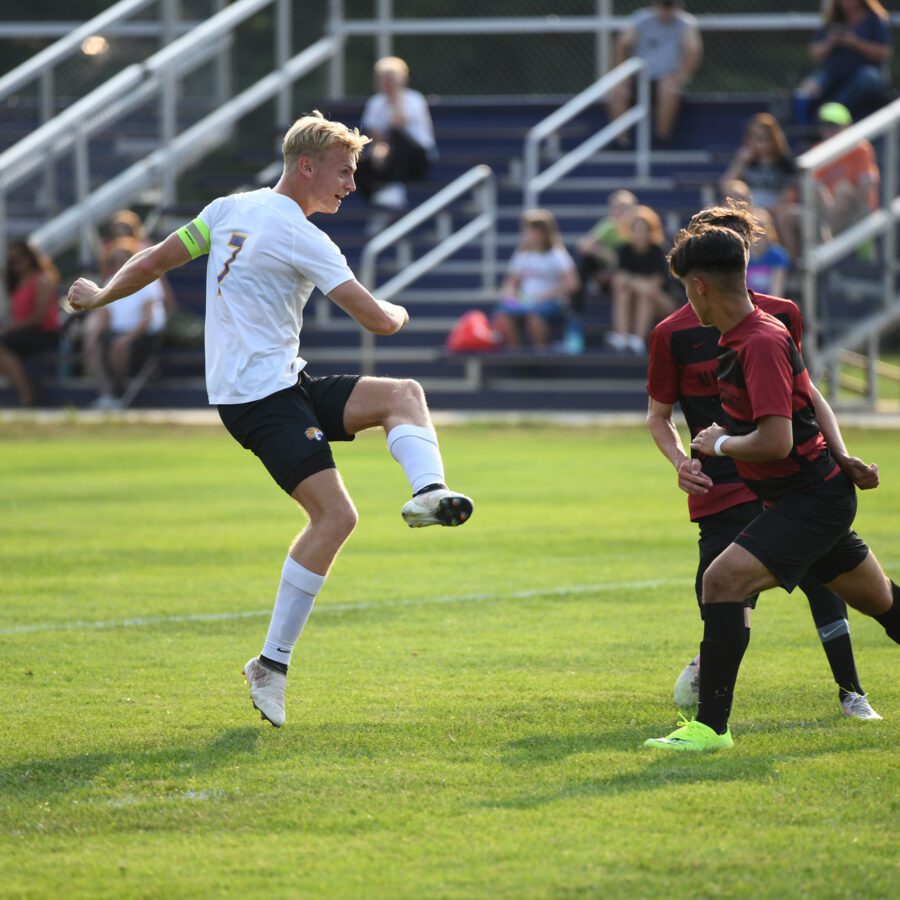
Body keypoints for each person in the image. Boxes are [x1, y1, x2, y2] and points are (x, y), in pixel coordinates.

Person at [67, 110, 474, 729]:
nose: (351, 185)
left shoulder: (229, 208)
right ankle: (271, 665)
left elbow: (154, 259)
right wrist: (400, 313)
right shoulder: (304, 236)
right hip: (258, 397)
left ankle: (429, 493)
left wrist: (99, 295)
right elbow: (376, 320)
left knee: (403, 394)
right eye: (344, 172)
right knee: (336, 516)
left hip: (283, 381)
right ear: (307, 166)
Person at [645, 223, 900, 752]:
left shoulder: (758, 341)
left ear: (700, 287)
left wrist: (717, 445)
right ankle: (711, 726)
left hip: (809, 497)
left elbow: (776, 440)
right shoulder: (755, 331)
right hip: (806, 495)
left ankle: (710, 729)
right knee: (881, 600)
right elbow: (806, 403)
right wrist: (841, 454)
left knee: (722, 582)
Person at [82, 238, 168, 410]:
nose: (120, 265)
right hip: (118, 333)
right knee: (93, 347)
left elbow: (148, 318)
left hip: (143, 335)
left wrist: (127, 339)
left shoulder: (149, 281)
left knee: (119, 346)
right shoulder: (108, 283)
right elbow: (104, 315)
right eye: (115, 261)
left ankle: (119, 389)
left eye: (125, 259)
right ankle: (107, 393)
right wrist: (93, 337)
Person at [607, 0, 702, 147]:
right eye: (663, 5)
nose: (666, 10)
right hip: (639, 77)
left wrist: (681, 76)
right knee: (617, 91)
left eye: (670, 6)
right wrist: (622, 73)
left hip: (666, 78)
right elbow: (622, 43)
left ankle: (661, 140)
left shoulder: (686, 23)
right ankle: (621, 141)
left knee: (668, 89)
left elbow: (693, 50)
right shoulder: (641, 18)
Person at [356, 56, 436, 214]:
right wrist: (379, 151)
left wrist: (395, 97)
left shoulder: (415, 99)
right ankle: (377, 203)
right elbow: (376, 135)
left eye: (391, 78)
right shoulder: (375, 103)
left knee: (397, 134)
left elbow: (397, 123)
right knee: (356, 163)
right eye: (383, 77)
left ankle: (395, 186)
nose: (387, 82)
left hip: (418, 158)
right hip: (390, 156)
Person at [495, 209, 579, 351]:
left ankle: (541, 356)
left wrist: (544, 296)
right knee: (503, 315)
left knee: (534, 317)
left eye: (529, 231)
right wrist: (510, 294)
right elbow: (511, 282)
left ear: (542, 233)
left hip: (551, 303)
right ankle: (516, 357)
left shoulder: (557, 254)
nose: (525, 235)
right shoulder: (522, 254)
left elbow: (573, 284)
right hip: (525, 301)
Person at [795, 0, 891, 122]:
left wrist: (854, 42)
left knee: (867, 77)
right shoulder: (832, 20)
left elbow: (884, 52)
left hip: (866, 74)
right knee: (806, 91)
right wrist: (830, 42)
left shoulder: (874, 19)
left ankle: (830, 111)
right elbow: (814, 53)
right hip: (833, 73)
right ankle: (801, 131)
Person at [719, 114, 799, 256]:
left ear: (774, 139)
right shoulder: (746, 162)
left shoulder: (784, 162)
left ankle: (790, 264)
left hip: (775, 207)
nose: (758, 144)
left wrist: (772, 209)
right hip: (748, 207)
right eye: (754, 138)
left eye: (763, 139)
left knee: (780, 217)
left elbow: (790, 191)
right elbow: (725, 185)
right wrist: (740, 162)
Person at [0, 240, 60, 407]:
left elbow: (39, 317)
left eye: (19, 259)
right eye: (12, 261)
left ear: (30, 258)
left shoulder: (41, 280)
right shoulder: (17, 284)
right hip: (25, 333)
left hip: (43, 333)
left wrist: (10, 328)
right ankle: (26, 387)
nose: (15, 265)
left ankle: (27, 396)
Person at [608, 205, 673, 352]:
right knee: (622, 290)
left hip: (663, 302)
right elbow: (619, 280)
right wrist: (634, 283)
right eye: (636, 229)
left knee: (646, 294)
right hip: (636, 300)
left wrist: (630, 280)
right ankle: (622, 337)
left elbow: (654, 286)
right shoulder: (624, 250)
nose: (640, 234)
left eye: (643, 229)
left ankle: (638, 339)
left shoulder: (658, 249)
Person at [814, 102, 880, 239]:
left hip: (858, 208)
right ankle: (828, 239)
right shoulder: (818, 150)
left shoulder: (861, 148)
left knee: (842, 189)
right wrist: (831, 208)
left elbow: (866, 188)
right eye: (824, 125)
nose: (829, 130)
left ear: (846, 126)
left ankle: (827, 241)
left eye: (834, 125)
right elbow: (816, 186)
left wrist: (862, 216)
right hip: (829, 209)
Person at [573, 190, 637, 314]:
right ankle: (575, 312)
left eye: (624, 207)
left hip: (629, 275)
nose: (620, 211)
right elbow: (584, 246)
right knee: (584, 262)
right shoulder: (608, 226)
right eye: (616, 207)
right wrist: (605, 254)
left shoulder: (638, 228)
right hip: (610, 274)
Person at [746, 208, 791, 298]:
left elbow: (776, 294)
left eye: (762, 228)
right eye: (754, 228)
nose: (759, 233)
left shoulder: (778, 255)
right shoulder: (742, 255)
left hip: (768, 307)